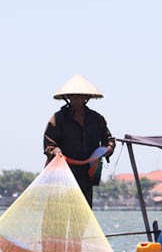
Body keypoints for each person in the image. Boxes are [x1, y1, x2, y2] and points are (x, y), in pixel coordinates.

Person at [43, 74, 115, 207]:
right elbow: (49, 145)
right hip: (63, 174)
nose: (76, 99)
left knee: (83, 210)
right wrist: (56, 152)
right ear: (68, 98)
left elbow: (109, 141)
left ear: (86, 98)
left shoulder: (97, 119)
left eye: (80, 96)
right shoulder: (58, 119)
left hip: (87, 173)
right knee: (60, 211)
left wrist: (104, 152)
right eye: (73, 96)